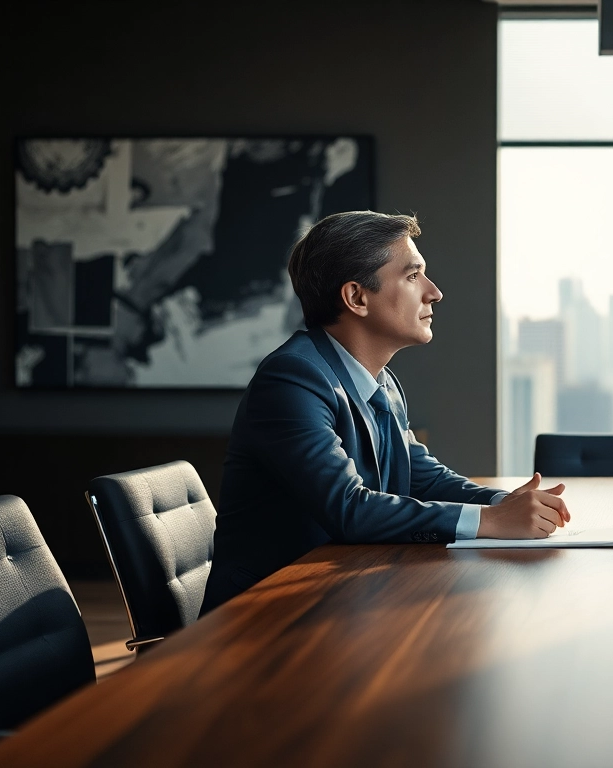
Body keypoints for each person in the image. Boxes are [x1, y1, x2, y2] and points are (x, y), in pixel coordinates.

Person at [201, 211, 569, 614]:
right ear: (357, 297)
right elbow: (349, 508)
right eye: (412, 276)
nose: (434, 292)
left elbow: (422, 478)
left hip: (339, 598)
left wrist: (502, 503)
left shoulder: (382, 383)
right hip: (265, 619)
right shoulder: (292, 378)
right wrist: (492, 521)